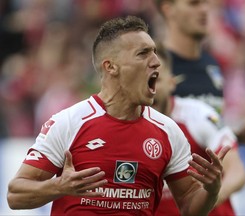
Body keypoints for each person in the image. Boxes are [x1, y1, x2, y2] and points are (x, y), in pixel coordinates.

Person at [7, 16, 230, 216]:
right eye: (143, 53)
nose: (156, 62)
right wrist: (59, 187)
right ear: (111, 66)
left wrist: (211, 190)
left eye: (154, 52)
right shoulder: (68, 123)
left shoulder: (168, 131)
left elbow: (189, 206)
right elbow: (15, 195)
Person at [154, 0, 245, 145]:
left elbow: (204, 127)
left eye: (206, 3)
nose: (204, 10)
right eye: (194, 4)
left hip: (210, 166)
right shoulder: (155, 65)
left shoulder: (211, 64)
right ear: (168, 9)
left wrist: (237, 135)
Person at [152, 42, 245, 216]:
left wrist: (208, 199)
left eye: (156, 79)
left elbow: (237, 172)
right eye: (146, 80)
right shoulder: (124, 126)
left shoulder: (199, 115)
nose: (151, 88)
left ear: (172, 82)